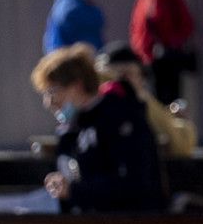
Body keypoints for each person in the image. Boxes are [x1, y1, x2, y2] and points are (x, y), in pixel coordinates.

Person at [32, 43, 166, 212]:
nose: (49, 102)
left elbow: (133, 184)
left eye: (52, 91)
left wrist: (75, 191)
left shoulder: (120, 117)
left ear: (77, 86)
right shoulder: (74, 128)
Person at [96, 40, 197, 157]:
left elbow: (181, 143)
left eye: (128, 74)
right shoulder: (96, 103)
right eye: (120, 75)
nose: (121, 81)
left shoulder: (144, 101)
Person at [129, 0, 195, 105]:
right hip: (148, 58)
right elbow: (137, 29)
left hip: (169, 57)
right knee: (153, 98)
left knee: (173, 98)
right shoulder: (142, 0)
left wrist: (172, 42)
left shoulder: (173, 0)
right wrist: (140, 51)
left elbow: (187, 26)